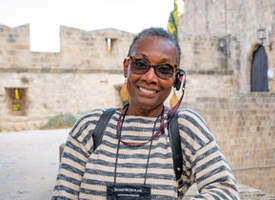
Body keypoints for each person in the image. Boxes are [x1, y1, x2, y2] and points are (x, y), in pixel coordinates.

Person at [52, 27, 239, 200]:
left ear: (177, 79)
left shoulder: (186, 128)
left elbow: (225, 190)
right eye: (140, 64)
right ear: (127, 67)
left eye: (164, 69)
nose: (150, 78)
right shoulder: (90, 127)